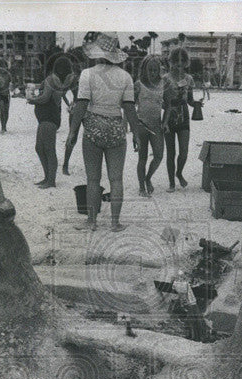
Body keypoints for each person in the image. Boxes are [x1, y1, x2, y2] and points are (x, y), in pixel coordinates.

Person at [66, 32, 138, 232]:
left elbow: (81, 105)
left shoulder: (87, 74)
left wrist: (72, 132)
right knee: (116, 179)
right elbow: (130, 108)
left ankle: (92, 221)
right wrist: (137, 134)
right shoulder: (125, 76)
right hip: (116, 128)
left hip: (94, 128)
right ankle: (115, 223)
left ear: (97, 52)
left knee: (93, 179)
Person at [30, 55, 73, 189]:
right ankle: (48, 177)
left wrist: (32, 100)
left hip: (48, 118)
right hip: (50, 118)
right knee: (41, 148)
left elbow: (44, 98)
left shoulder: (50, 80)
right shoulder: (60, 82)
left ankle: (50, 180)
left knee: (47, 149)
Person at [162, 47, 195, 191]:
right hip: (169, 117)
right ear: (171, 61)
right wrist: (169, 105)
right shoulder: (165, 79)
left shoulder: (189, 79)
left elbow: (190, 100)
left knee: (184, 152)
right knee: (170, 153)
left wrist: (197, 104)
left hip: (184, 116)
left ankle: (179, 173)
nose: (179, 63)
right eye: (176, 60)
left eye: (182, 60)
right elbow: (161, 101)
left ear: (186, 62)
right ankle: (171, 182)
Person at [134, 54, 165, 197]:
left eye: (155, 70)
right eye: (150, 70)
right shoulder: (138, 84)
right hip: (141, 125)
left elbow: (169, 105)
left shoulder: (163, 84)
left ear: (159, 70)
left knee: (158, 156)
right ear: (144, 69)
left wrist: (165, 122)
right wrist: (132, 129)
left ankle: (148, 178)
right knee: (142, 158)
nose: (152, 73)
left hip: (157, 126)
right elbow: (129, 107)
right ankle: (141, 187)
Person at [61, 46, 89, 176]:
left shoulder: (86, 75)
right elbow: (62, 93)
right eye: (74, 62)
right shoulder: (72, 77)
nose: (77, 64)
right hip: (79, 107)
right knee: (73, 136)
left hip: (86, 108)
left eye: (79, 62)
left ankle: (67, 165)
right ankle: (65, 165)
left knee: (88, 137)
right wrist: (70, 104)